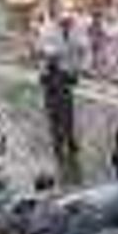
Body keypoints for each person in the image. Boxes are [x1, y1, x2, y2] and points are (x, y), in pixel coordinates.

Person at [38, 48, 83, 182]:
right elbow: (73, 81)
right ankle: (62, 148)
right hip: (59, 107)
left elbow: (74, 81)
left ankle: (67, 146)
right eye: (54, 61)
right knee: (59, 128)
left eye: (55, 61)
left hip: (63, 106)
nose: (55, 63)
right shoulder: (49, 76)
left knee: (65, 127)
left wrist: (75, 71)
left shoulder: (57, 74)